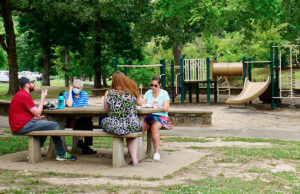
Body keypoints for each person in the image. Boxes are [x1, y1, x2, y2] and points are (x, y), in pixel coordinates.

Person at [9, 77, 76, 161]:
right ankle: (61, 154)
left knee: (45, 127)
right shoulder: (24, 95)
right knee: (54, 125)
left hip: (19, 124)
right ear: (27, 84)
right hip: (21, 126)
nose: (34, 84)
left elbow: (26, 112)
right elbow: (38, 112)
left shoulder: (20, 94)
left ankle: (34, 152)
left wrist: (33, 117)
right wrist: (43, 97)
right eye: (32, 82)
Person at [101, 72, 143, 166]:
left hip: (115, 125)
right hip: (132, 124)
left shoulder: (108, 93)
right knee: (131, 136)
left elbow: (106, 109)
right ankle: (134, 159)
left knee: (103, 122)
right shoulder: (131, 91)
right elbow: (140, 103)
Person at [142, 76, 171, 161]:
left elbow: (166, 108)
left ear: (159, 85)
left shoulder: (164, 93)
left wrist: (159, 106)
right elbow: (143, 103)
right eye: (151, 85)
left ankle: (156, 152)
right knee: (141, 128)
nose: (153, 87)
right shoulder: (148, 92)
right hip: (150, 115)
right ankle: (138, 150)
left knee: (154, 128)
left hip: (161, 116)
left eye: (155, 85)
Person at [64, 79, 96, 154]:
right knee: (88, 122)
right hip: (70, 118)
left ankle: (82, 143)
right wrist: (69, 92)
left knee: (88, 120)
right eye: (74, 87)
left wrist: (79, 114)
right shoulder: (67, 93)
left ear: (82, 88)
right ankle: (85, 146)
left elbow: (84, 108)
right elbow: (69, 105)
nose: (76, 89)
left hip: (81, 117)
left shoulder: (85, 94)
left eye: (78, 88)